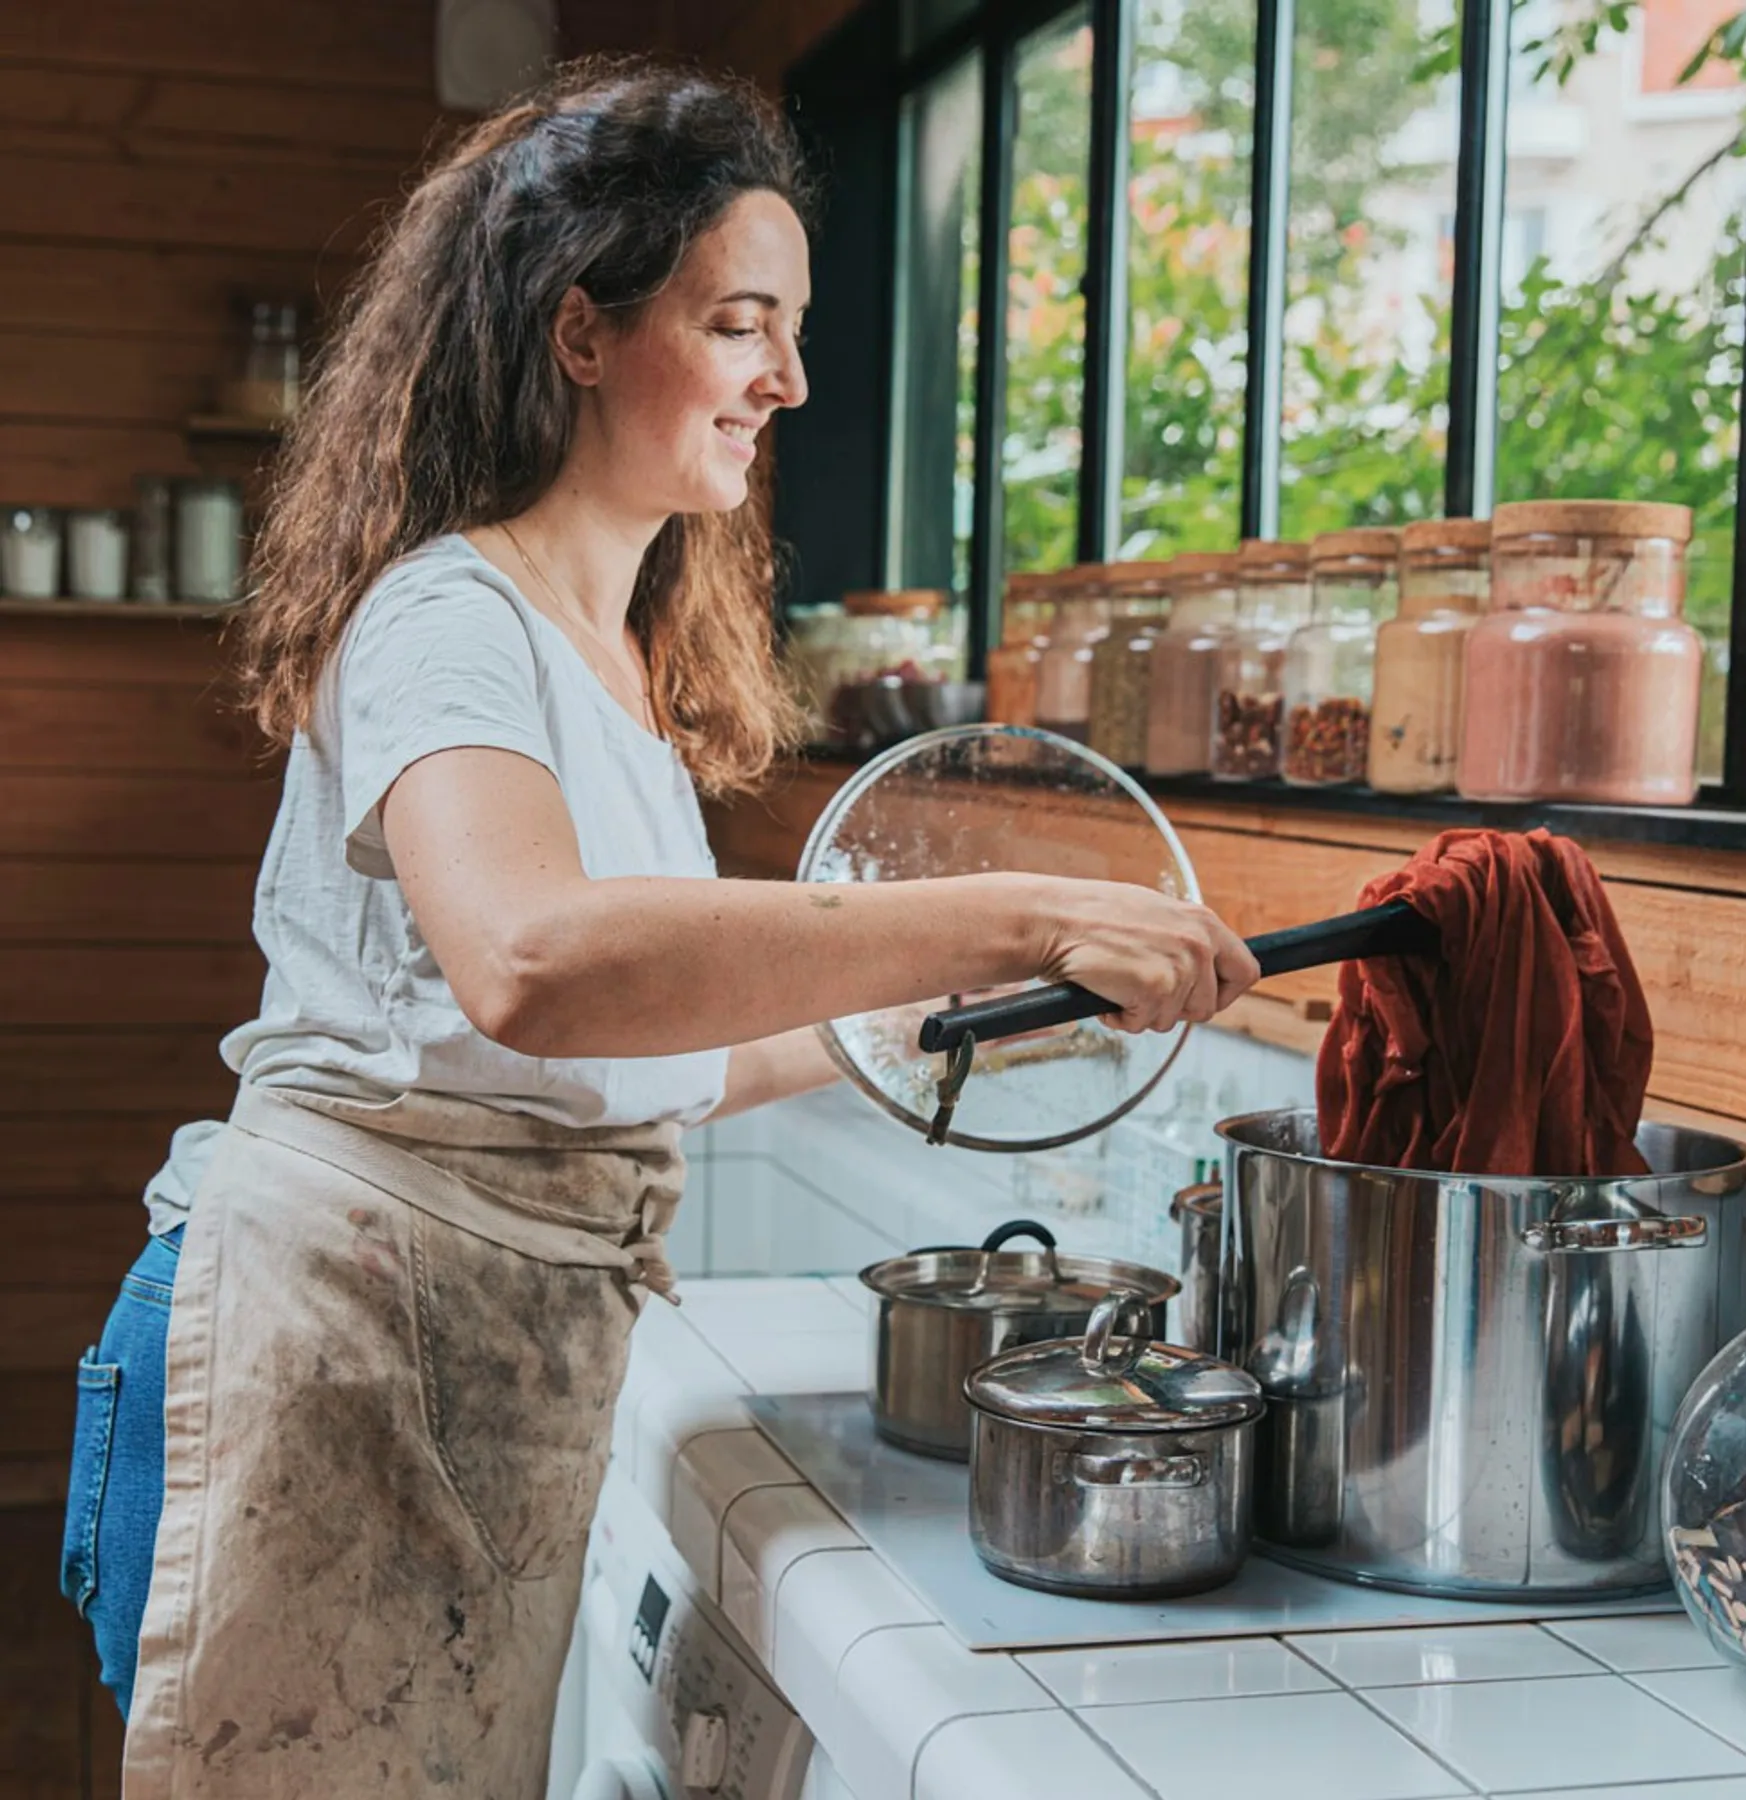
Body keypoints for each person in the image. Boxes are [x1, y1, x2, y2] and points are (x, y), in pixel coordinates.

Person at [59, 56, 1259, 1798]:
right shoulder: (443, 617)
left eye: (788, 326)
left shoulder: (614, 661)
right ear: (581, 333)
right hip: (323, 1360)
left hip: (470, 1355)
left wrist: (983, 1000)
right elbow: (535, 963)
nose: (788, 377)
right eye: (741, 322)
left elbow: (642, 1053)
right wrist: (993, 907)